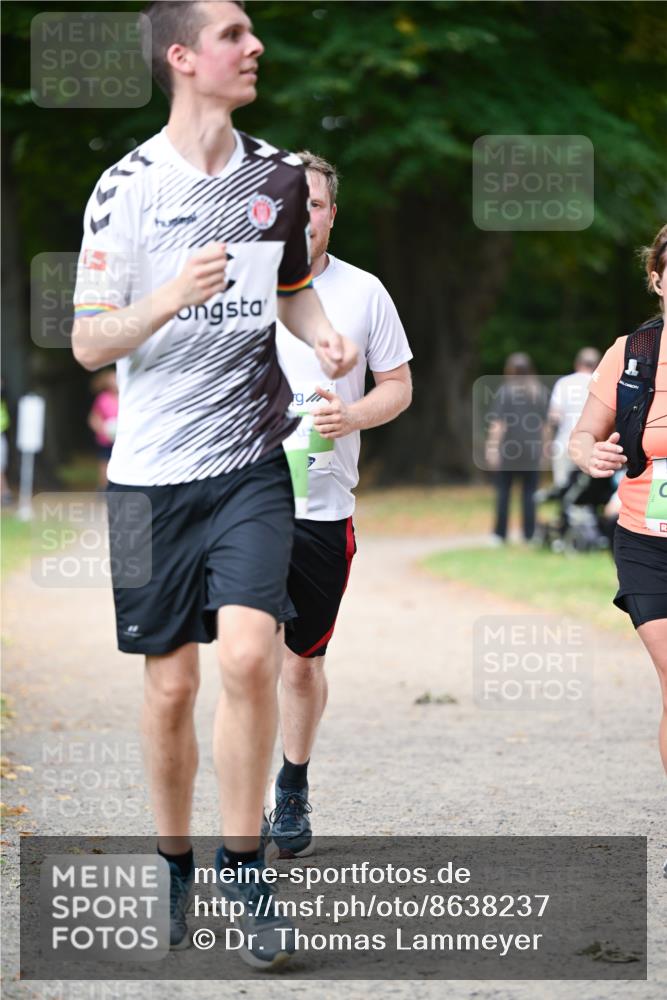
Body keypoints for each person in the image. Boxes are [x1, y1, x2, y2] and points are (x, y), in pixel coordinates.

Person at [71, 0, 357, 965]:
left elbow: (290, 289)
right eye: (233, 34)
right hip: (147, 479)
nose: (254, 46)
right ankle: (174, 863)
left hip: (250, 464)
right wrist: (168, 296)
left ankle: (245, 869)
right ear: (183, 57)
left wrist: (321, 333)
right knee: (169, 690)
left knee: (247, 658)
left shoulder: (275, 176)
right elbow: (88, 342)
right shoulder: (124, 187)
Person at [268, 153, 413, 859]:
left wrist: (352, 416)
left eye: (317, 203)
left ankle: (291, 783)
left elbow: (399, 387)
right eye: (292, 201)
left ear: (331, 214)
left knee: (301, 662)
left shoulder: (364, 291)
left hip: (323, 509)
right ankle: (243, 802)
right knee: (246, 655)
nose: (305, 215)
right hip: (245, 499)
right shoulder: (238, 283)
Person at [570, 223, 667, 776]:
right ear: (657, 279)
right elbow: (583, 436)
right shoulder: (632, 354)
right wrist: (592, 455)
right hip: (645, 541)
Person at [485, 352, 549, 543]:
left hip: (509, 449)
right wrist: (545, 449)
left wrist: (492, 448)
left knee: (504, 492)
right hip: (532, 449)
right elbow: (545, 426)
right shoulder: (539, 392)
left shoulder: (506, 392)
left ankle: (499, 534)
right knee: (529, 493)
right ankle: (529, 534)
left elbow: (499, 424)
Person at [547, 347, 601, 487]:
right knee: (585, 490)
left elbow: (554, 417)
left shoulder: (563, 383)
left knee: (562, 488)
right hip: (590, 445)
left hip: (564, 442)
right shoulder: (600, 384)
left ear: (577, 363)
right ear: (597, 365)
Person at [87, 369, 118, 489]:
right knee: (105, 466)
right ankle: (103, 490)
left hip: (123, 439)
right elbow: (94, 418)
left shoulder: (127, 396)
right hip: (106, 440)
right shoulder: (103, 399)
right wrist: (103, 430)